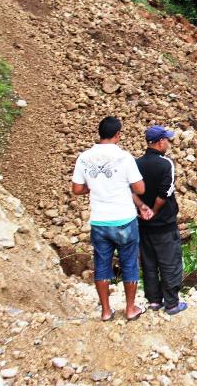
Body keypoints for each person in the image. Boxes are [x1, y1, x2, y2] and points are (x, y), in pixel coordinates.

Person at [71, 116, 148, 322]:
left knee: (102, 265)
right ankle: (131, 309)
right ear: (118, 135)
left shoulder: (84, 157)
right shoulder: (124, 157)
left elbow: (77, 189)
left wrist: (94, 186)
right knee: (130, 263)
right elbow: (140, 188)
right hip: (124, 218)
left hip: (99, 221)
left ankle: (106, 311)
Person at [135, 125, 188, 316]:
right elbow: (164, 192)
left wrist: (143, 208)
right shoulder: (166, 164)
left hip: (143, 223)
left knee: (149, 263)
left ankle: (154, 301)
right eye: (166, 139)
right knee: (170, 262)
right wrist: (154, 210)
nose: (168, 142)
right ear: (159, 142)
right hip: (164, 223)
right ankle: (172, 303)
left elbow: (131, 190)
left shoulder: (136, 163)